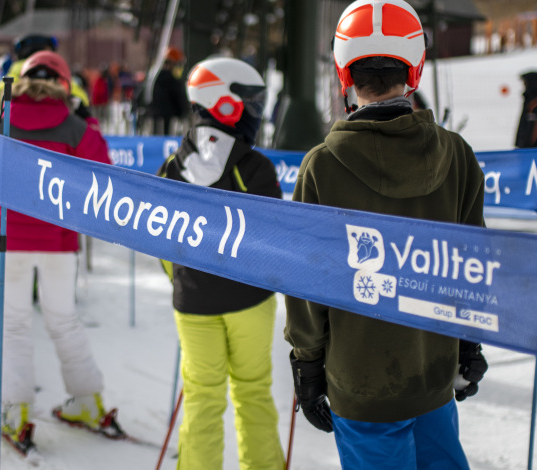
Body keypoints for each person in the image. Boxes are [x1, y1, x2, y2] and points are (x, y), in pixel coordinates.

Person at [284, 1, 489, 468]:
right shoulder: (456, 155)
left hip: (362, 383)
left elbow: (308, 278)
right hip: (433, 373)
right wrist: (468, 342)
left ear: (344, 72)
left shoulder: (323, 165)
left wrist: (307, 363)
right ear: (413, 69)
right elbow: (472, 264)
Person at [0, 51, 119, 456]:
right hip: (59, 241)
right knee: (64, 321)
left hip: (10, 241)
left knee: (15, 326)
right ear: (62, 83)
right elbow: (102, 174)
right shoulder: (75, 126)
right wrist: (89, 125)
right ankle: (88, 402)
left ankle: (15, 410)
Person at [157, 57, 285, 470]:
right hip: (251, 301)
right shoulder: (256, 168)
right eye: (249, 101)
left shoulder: (171, 168)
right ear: (225, 103)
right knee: (252, 391)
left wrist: (183, 279)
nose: (255, 111)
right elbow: (274, 241)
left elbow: (160, 242)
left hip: (193, 304)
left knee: (201, 395)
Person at [0, 34, 93, 135]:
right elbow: (83, 106)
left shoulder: (4, 85)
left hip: (13, 151)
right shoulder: (64, 80)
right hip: (58, 150)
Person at [148, 47, 189, 135]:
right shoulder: (170, 79)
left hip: (157, 118)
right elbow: (178, 98)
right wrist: (183, 112)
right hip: (168, 120)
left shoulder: (156, 76)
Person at [515, 70, 537, 148]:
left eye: (525, 82)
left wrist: (526, 144)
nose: (524, 84)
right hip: (525, 143)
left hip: (535, 145)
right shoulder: (528, 97)